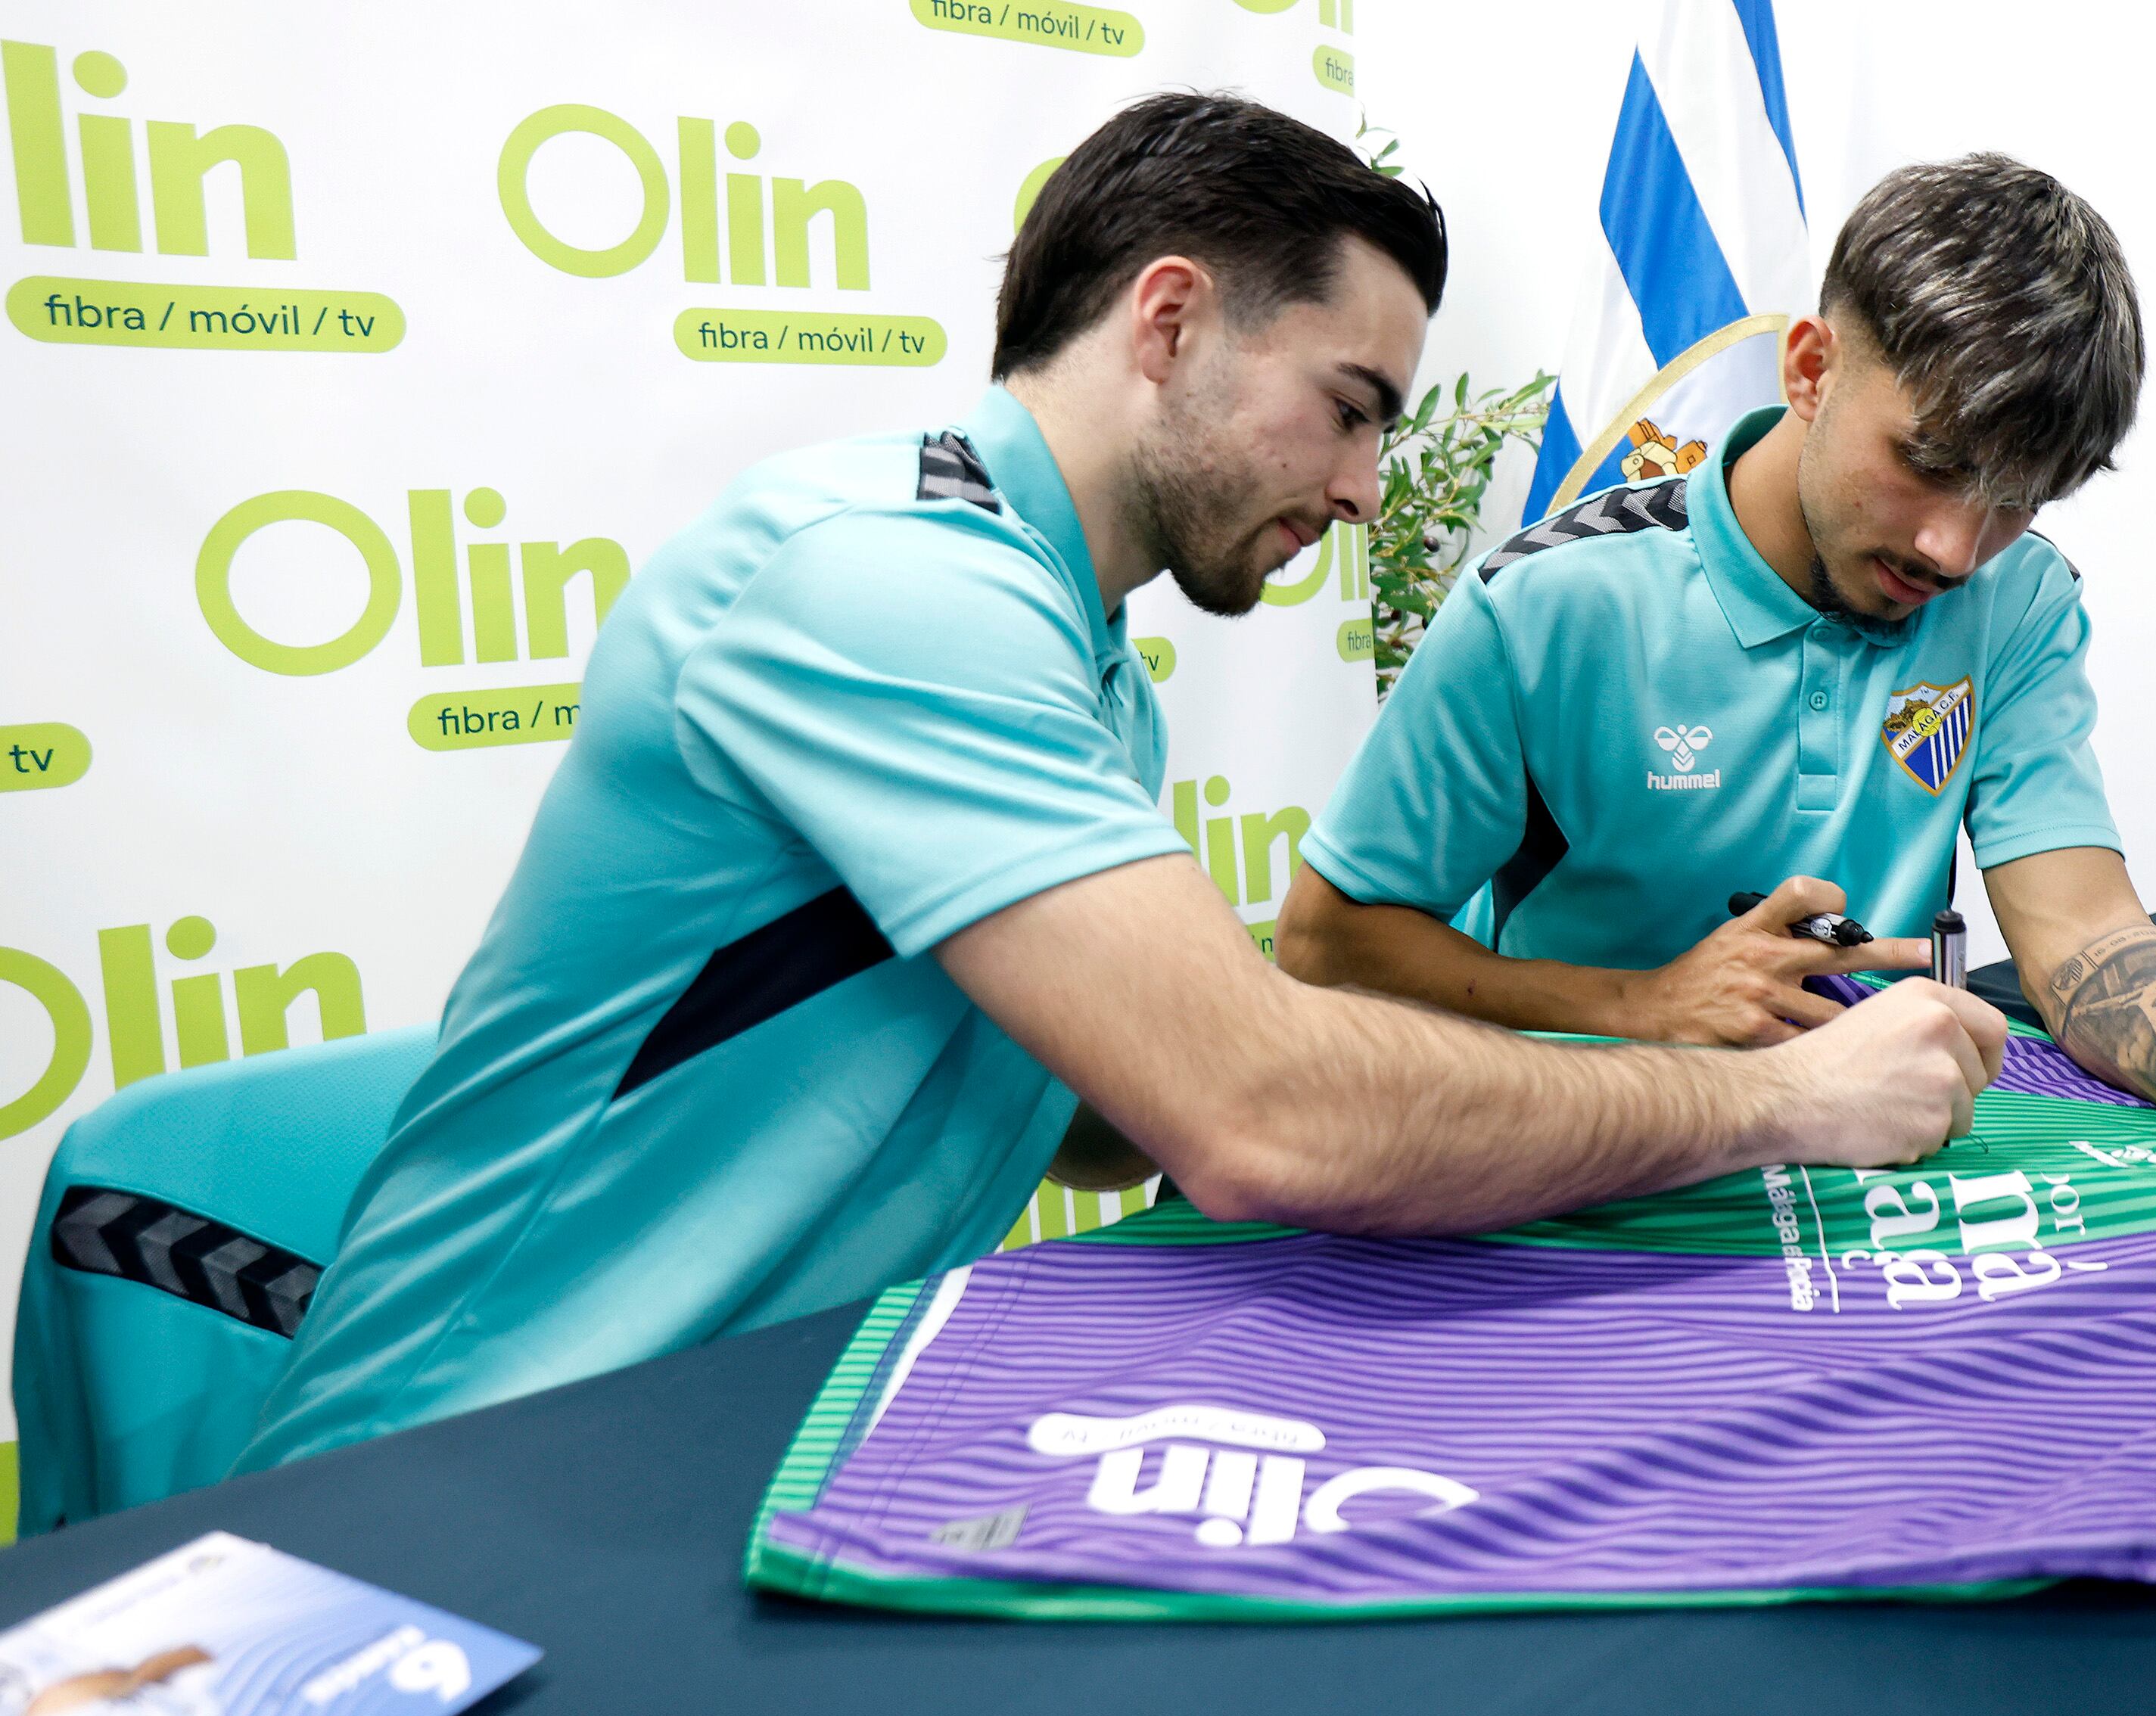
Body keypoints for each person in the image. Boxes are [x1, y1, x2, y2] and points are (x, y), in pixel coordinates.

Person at [231, 96, 2005, 1473]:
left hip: (760, 1435)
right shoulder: (879, 582)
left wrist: (1337, 1064)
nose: (1375, 487)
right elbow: (1255, 1116)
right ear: (1168, 321)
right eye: (1350, 404)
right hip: (471, 1479)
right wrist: (1782, 1105)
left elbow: (1107, 1112)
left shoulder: (1080, 671)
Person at [1278, 154, 2156, 1192]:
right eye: (1929, 462)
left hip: (1873, 1178)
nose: (1954, 548)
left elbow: (2085, 937)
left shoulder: (2019, 597)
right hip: (1586, 1168)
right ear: (1812, 370)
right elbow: (1327, 944)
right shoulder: (1546, 605)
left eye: (2012, 500)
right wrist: (1643, 1003)